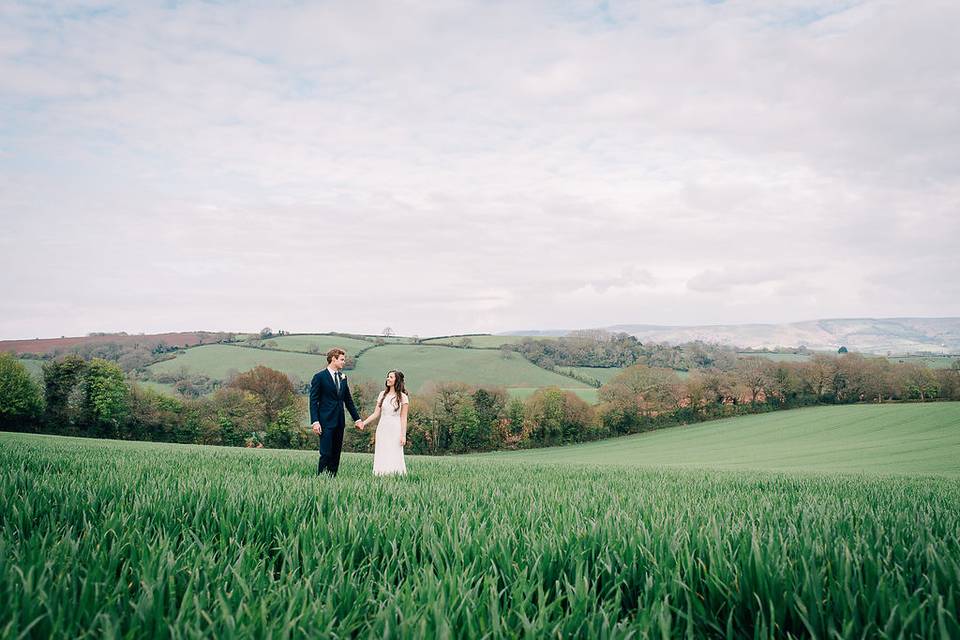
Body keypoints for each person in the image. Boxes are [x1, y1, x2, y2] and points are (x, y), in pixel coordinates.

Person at [310, 348, 363, 476]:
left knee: (336, 454)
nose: (344, 362)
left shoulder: (343, 378)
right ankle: (321, 479)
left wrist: (357, 419)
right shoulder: (319, 377)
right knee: (326, 453)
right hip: (325, 421)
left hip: (340, 421)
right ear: (333, 359)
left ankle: (332, 479)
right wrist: (315, 421)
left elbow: (348, 401)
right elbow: (313, 401)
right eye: (342, 359)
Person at [361, 370, 408, 476]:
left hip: (395, 428)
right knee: (382, 451)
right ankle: (380, 474)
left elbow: (404, 418)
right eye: (388, 377)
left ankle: (395, 474)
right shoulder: (382, 394)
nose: (388, 379)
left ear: (397, 380)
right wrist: (364, 423)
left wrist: (403, 435)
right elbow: (376, 413)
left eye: (391, 377)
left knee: (394, 451)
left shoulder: (403, 397)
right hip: (383, 427)